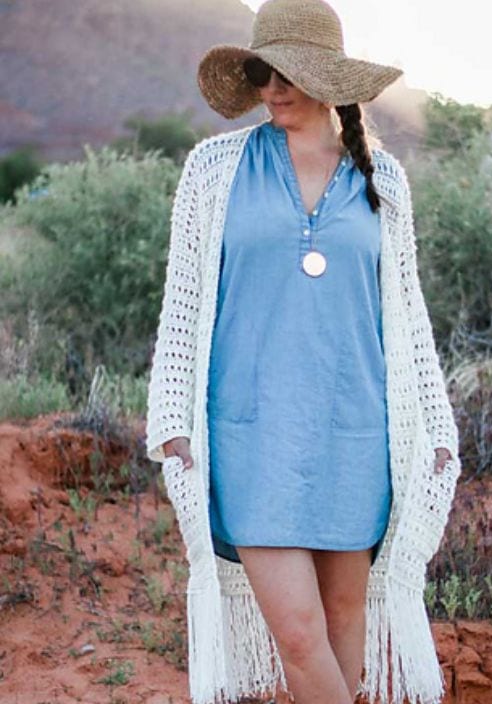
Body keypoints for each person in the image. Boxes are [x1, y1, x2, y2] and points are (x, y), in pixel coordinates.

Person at [143, 1, 459, 702]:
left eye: (287, 72)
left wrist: (435, 429)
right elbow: (184, 305)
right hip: (250, 435)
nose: (272, 88)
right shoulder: (214, 169)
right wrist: (170, 415)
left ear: (327, 78)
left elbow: (407, 322)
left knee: (345, 620)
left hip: (355, 431)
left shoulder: (386, 183)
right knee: (296, 631)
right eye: (261, 71)